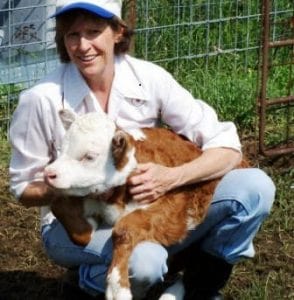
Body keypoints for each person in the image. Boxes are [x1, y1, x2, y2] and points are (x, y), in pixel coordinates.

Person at [9, 0, 276, 299]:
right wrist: (77, 185)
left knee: (254, 187)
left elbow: (226, 147)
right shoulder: (42, 99)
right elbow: (22, 188)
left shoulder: (148, 78)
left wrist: (172, 177)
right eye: (72, 34)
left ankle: (198, 287)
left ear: (118, 32)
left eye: (94, 31)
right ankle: (90, 281)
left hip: (147, 205)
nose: (83, 46)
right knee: (145, 262)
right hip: (78, 220)